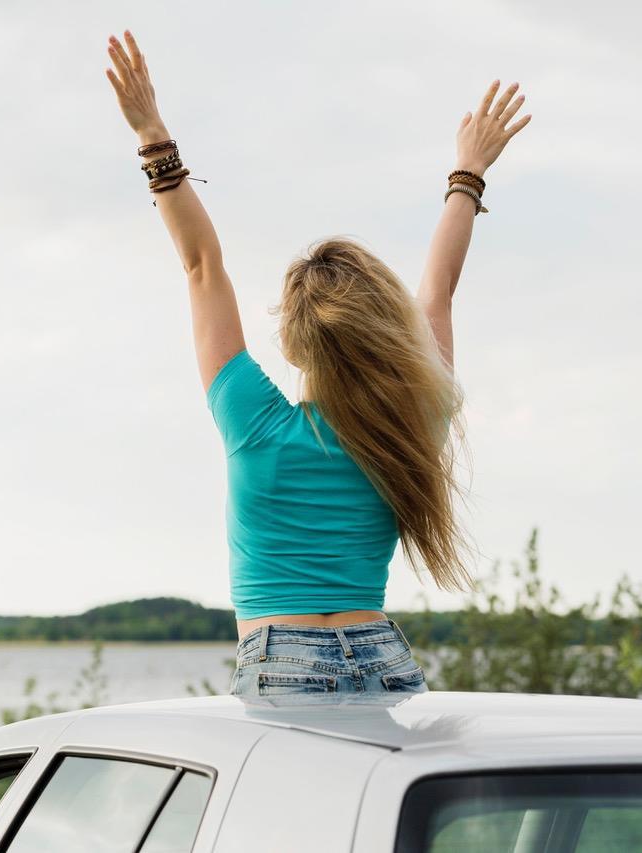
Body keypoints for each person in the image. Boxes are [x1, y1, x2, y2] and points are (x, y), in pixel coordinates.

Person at [104, 30, 531, 696]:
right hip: (385, 656)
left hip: (284, 661)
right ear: (384, 329)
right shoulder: (411, 425)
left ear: (297, 341)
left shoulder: (257, 424)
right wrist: (467, 173)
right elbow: (439, 289)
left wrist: (153, 135)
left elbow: (201, 267)